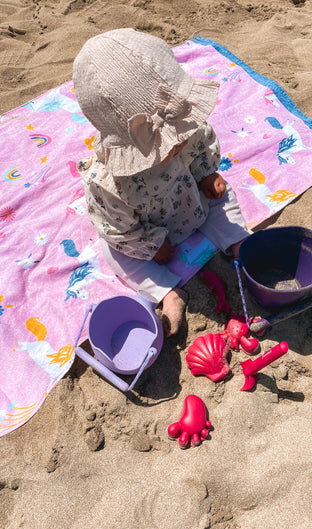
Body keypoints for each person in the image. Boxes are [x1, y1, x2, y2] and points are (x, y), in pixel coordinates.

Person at [73, 28, 251, 337]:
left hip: (193, 201)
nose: (180, 140)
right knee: (112, 250)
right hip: (153, 232)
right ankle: (168, 293)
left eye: (181, 132)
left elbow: (201, 146)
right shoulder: (108, 183)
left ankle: (239, 242)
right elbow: (117, 227)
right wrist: (150, 244)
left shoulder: (182, 122)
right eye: (169, 142)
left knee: (223, 197)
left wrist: (206, 173)